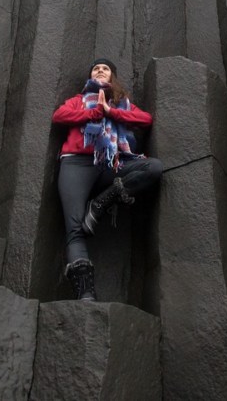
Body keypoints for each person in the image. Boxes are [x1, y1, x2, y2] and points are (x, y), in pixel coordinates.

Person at [52, 58, 162, 301]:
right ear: (90, 75)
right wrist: (93, 112)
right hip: (76, 163)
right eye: (96, 68)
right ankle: (85, 295)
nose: (100, 70)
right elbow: (60, 116)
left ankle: (100, 204)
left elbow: (146, 120)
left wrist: (112, 112)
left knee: (153, 168)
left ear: (112, 77)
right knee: (75, 228)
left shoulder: (122, 104)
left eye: (105, 68)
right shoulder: (78, 100)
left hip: (111, 164)